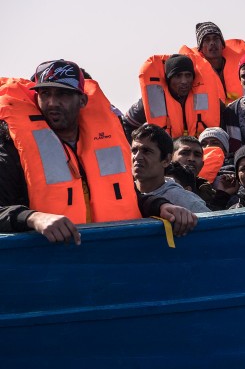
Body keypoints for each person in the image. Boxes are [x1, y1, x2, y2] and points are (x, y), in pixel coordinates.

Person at [0, 61, 197, 242]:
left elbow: (128, 197)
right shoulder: (12, 146)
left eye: (63, 94)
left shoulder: (104, 141)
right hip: (52, 263)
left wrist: (161, 206)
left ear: (83, 101)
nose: (52, 102)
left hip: (109, 254)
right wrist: (33, 218)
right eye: (45, 94)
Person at [124, 54, 225, 139]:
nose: (184, 81)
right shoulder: (150, 102)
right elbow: (126, 123)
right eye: (178, 76)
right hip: (165, 158)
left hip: (199, 156)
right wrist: (139, 149)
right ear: (169, 80)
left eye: (188, 75)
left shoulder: (211, 100)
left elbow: (226, 119)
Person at [131, 125, 211, 213]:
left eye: (146, 151)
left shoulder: (184, 201)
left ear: (166, 160)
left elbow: (215, 224)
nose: (137, 157)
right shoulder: (122, 194)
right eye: (134, 150)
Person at [179, 22, 245, 102]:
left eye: (216, 38)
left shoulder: (242, 67)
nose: (212, 43)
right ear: (200, 49)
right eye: (207, 40)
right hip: (211, 114)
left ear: (222, 45)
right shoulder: (192, 73)